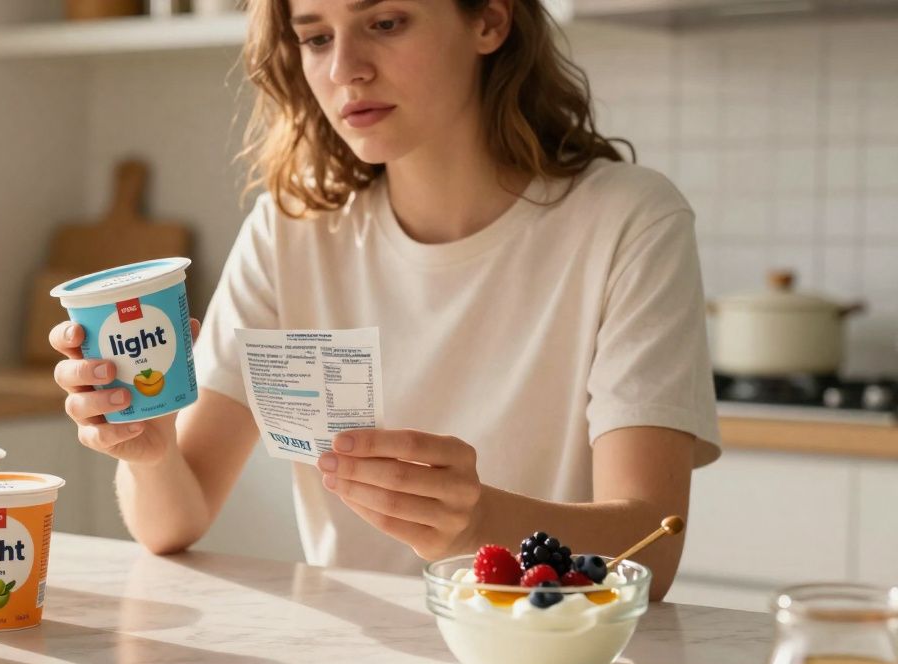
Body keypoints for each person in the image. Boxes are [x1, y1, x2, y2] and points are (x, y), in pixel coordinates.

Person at [50, 0, 720, 599]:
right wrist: (151, 449)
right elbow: (172, 524)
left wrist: (479, 521)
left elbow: (652, 543)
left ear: (489, 19)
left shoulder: (630, 220)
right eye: (315, 37)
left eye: (385, 23)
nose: (345, 69)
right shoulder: (291, 229)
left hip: (546, 663)